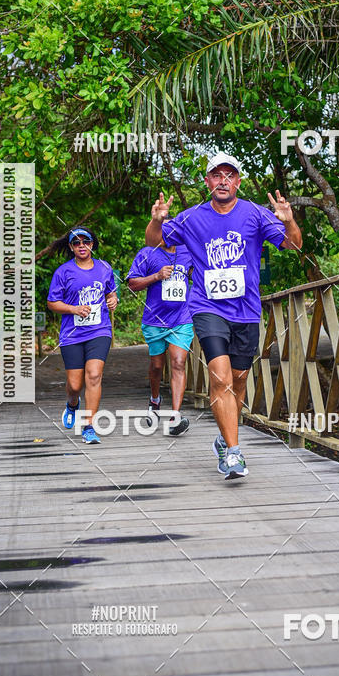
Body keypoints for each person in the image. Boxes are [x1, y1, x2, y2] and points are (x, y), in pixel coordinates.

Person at [145, 151, 302, 479]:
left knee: (239, 379)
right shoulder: (191, 218)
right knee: (220, 377)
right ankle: (233, 453)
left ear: (238, 181)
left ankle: (224, 436)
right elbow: (155, 243)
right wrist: (157, 220)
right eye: (217, 175)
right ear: (207, 181)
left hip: (246, 311)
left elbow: (293, 244)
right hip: (207, 307)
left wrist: (288, 220)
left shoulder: (256, 214)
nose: (223, 181)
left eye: (230, 175)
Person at [47, 227, 118, 444]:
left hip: (99, 330)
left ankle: (89, 427)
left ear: (92, 244)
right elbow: (52, 303)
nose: (81, 246)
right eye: (76, 243)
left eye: (85, 241)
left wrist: (114, 299)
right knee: (75, 385)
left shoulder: (104, 268)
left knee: (94, 375)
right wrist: (73, 309)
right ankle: (72, 403)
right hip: (72, 334)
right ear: (71, 247)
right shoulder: (63, 272)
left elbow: (111, 291)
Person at [126, 243, 194, 436]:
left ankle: (175, 416)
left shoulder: (187, 251)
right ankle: (155, 399)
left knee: (179, 363)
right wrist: (156, 276)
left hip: (181, 319)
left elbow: (198, 272)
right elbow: (132, 284)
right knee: (157, 366)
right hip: (154, 320)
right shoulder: (148, 253)